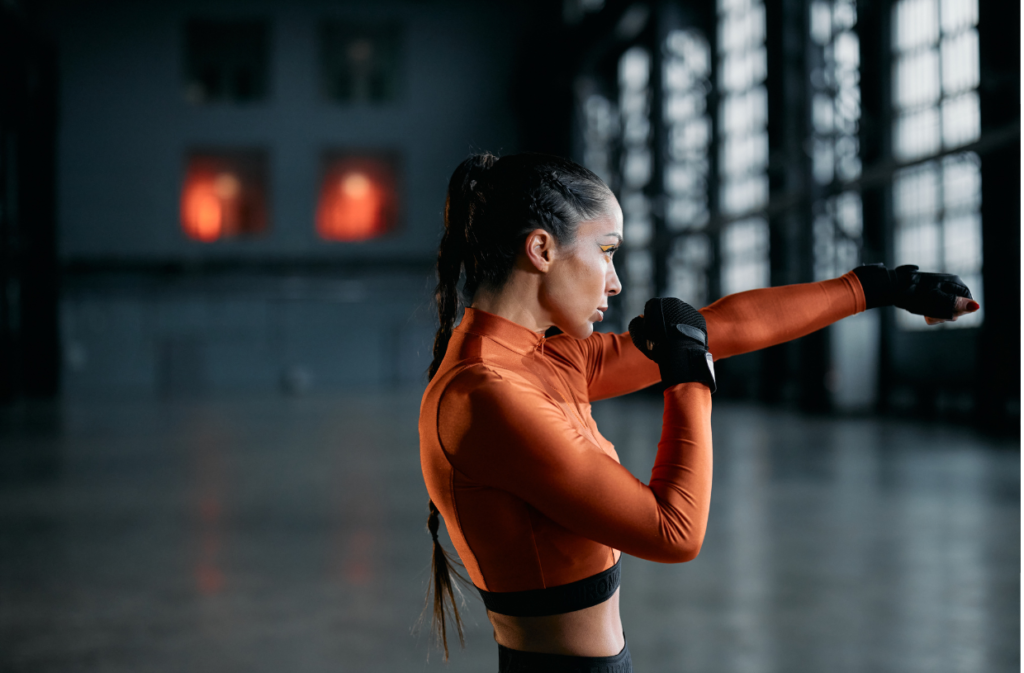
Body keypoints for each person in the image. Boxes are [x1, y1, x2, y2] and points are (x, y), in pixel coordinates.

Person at [418, 152, 978, 673]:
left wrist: (879, 286)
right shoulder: (488, 394)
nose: (615, 282)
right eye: (607, 251)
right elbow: (674, 532)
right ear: (541, 250)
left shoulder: (539, 360)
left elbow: (722, 328)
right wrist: (690, 379)